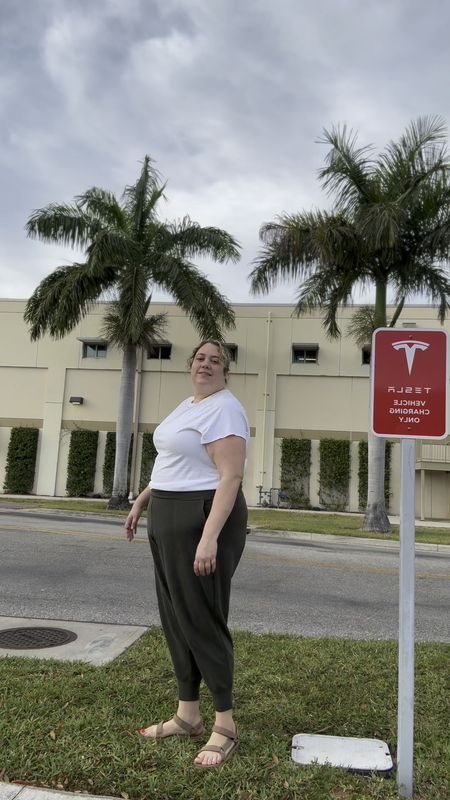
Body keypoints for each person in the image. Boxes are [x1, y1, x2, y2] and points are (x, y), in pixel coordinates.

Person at [124, 340, 249, 769]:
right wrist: (143, 500)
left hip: (202, 517)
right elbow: (171, 461)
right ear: (190, 365)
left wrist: (210, 537)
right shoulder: (188, 405)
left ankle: (225, 725)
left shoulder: (225, 409)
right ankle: (188, 715)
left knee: (202, 617)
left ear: (226, 371)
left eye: (216, 360)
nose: (207, 364)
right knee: (176, 617)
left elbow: (230, 476)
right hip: (167, 513)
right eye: (200, 358)